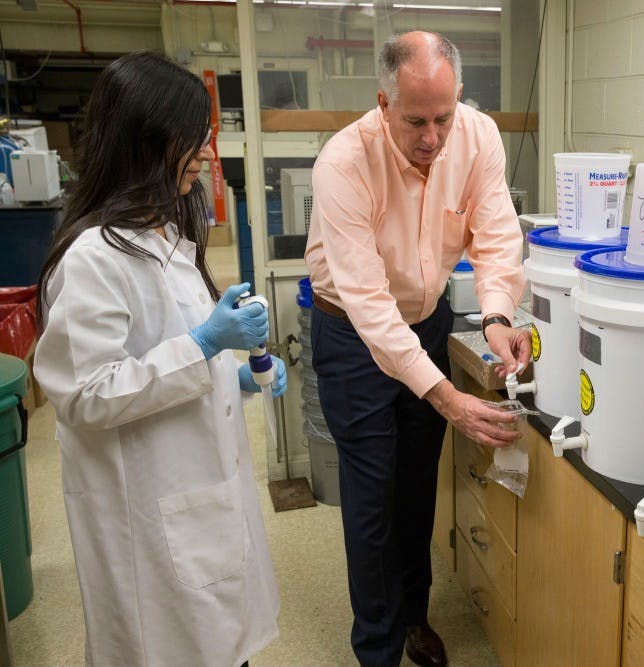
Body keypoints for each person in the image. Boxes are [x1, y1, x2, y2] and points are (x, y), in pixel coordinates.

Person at [33, 51, 283, 667]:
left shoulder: (167, 236)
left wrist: (233, 372)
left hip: (199, 499)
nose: (204, 154)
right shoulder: (95, 256)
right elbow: (87, 394)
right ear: (144, 142)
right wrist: (203, 345)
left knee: (222, 645)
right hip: (146, 515)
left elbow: (165, 352)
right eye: (192, 139)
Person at [304, 31, 530, 667]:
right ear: (383, 103)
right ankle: (376, 649)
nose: (432, 137)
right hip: (353, 333)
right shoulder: (344, 163)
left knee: (415, 485)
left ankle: (413, 618)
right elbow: (371, 305)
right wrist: (448, 397)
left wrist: (495, 317)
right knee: (372, 499)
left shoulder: (478, 136)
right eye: (414, 121)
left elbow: (495, 234)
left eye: (443, 117)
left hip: (427, 320)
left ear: (459, 100)